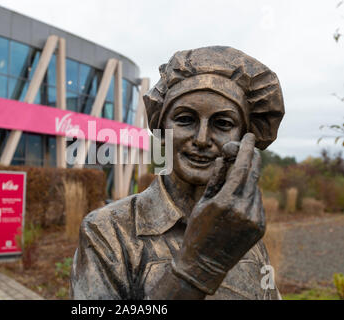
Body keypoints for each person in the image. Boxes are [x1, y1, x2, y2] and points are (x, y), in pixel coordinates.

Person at [70, 46, 285, 300]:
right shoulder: (108, 231)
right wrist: (197, 266)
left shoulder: (240, 232)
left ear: (244, 138)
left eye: (223, 124)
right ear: (162, 128)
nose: (202, 139)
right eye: (185, 120)